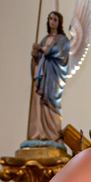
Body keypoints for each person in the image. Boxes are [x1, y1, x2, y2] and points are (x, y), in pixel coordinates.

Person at [28, 10, 70, 142]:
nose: (52, 21)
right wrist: (35, 55)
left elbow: (58, 52)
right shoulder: (44, 39)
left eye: (55, 19)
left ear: (59, 23)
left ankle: (54, 134)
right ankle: (38, 133)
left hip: (53, 77)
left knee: (52, 101)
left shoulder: (62, 40)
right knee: (39, 102)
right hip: (42, 75)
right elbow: (38, 57)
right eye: (50, 19)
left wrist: (42, 49)